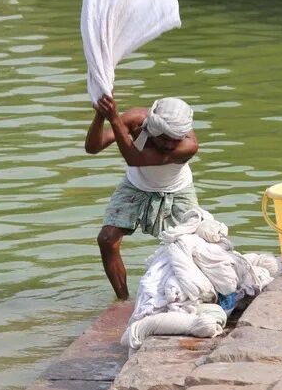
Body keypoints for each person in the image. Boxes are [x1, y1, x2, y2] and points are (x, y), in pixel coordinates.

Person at [85, 95, 199, 299]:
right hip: (136, 186)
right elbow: (93, 147)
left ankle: (187, 295)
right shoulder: (136, 119)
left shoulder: (189, 145)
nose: (169, 144)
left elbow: (134, 158)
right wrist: (100, 116)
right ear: (152, 127)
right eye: (164, 137)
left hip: (177, 191)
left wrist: (114, 118)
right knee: (107, 239)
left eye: (175, 139)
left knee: (188, 249)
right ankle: (122, 300)